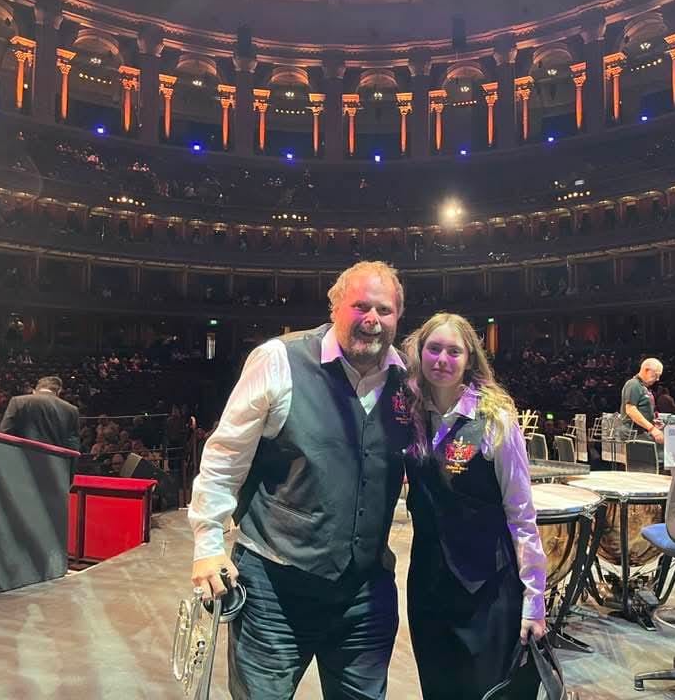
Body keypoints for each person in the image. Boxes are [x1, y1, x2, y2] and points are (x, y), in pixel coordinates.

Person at [188, 261, 413, 700]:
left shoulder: (406, 377)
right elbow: (225, 456)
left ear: (398, 317)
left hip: (365, 593)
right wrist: (207, 544)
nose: (372, 319)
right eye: (360, 306)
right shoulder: (279, 359)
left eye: (384, 310)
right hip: (274, 586)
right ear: (335, 306)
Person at [402, 312, 546, 700]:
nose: (442, 359)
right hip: (428, 585)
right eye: (434, 349)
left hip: (488, 589)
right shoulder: (410, 415)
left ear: (469, 359)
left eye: (454, 351)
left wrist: (535, 600)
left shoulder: (495, 418)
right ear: (420, 352)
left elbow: (521, 514)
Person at [0, 376, 80, 450]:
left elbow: (5, 432)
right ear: (58, 391)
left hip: (23, 457)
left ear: (35, 390)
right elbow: (73, 444)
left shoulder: (18, 401)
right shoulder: (72, 410)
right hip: (56, 459)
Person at [620, 358, 664, 445]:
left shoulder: (642, 387)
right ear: (646, 370)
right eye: (656, 375)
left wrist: (652, 421)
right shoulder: (633, 384)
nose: (658, 379)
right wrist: (652, 429)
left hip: (640, 431)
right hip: (633, 433)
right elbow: (631, 410)